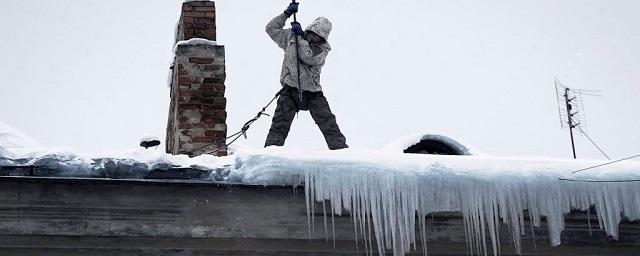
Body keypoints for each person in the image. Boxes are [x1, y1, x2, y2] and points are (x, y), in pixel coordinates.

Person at [264, 2, 348, 150]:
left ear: (323, 39)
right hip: (289, 90)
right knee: (279, 126)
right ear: (309, 30)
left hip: (313, 94)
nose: (314, 38)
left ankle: (343, 154)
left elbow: (307, 57)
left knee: (329, 125)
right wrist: (286, 14)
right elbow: (271, 29)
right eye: (312, 34)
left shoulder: (322, 50)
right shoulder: (291, 37)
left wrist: (300, 39)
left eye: (318, 37)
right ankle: (270, 155)